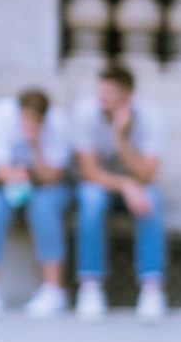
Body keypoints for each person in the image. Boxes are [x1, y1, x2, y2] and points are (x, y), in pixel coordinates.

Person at [70, 64, 168, 322]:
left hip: (136, 188)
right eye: (101, 94)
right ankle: (90, 285)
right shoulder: (85, 112)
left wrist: (120, 138)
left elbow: (147, 175)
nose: (103, 101)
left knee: (152, 200)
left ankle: (152, 286)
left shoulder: (150, 117)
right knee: (91, 200)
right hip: (102, 186)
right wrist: (126, 185)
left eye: (110, 95)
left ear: (128, 97)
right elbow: (89, 171)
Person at [0, 87, 72, 315]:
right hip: (5, 185)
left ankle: (53, 288)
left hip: (45, 188)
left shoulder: (58, 124)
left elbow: (52, 177)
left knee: (44, 206)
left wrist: (35, 145)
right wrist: (12, 174)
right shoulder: (1, 116)